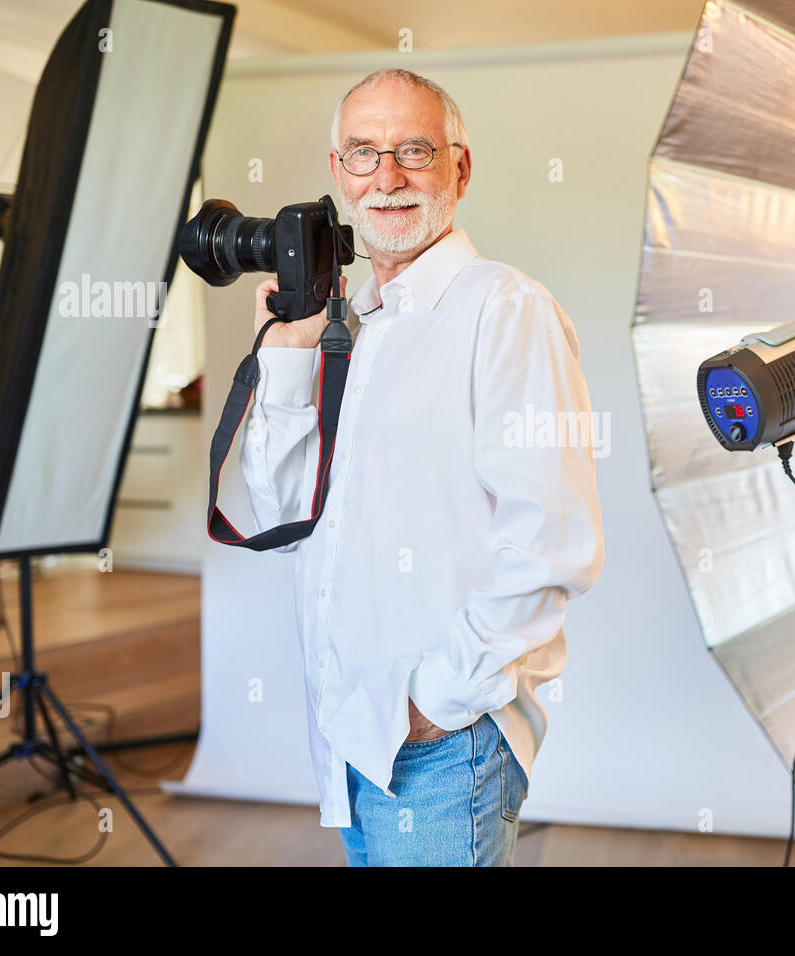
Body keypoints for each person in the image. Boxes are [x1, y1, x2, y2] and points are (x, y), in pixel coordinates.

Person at [240, 67, 604, 866]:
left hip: (440, 745)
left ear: (459, 169)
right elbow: (281, 519)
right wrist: (288, 362)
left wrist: (436, 703)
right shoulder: (348, 326)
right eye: (364, 154)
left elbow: (554, 544)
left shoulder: (503, 309)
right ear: (338, 174)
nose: (389, 177)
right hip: (347, 732)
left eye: (414, 150)